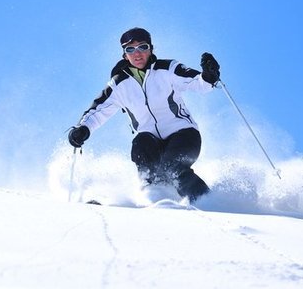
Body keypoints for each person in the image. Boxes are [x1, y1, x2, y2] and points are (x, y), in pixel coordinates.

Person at [68, 27, 221, 203]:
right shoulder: (118, 84)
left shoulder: (167, 69)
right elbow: (98, 110)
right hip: (150, 141)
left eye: (142, 47)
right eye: (130, 49)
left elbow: (197, 82)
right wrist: (83, 129)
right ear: (124, 55)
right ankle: (156, 198)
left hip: (184, 135)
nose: (137, 53)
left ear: (151, 49)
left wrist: (208, 76)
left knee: (173, 167)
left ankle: (209, 203)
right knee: (141, 144)